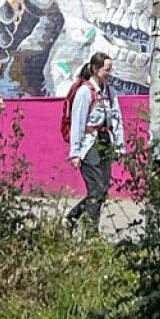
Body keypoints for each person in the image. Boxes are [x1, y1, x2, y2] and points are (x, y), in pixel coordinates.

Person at [65, 51, 124, 235]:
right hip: (89, 145)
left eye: (110, 69)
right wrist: (75, 153)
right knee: (96, 189)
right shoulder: (84, 92)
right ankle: (91, 233)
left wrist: (120, 146)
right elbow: (77, 123)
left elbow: (117, 119)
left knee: (103, 189)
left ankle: (71, 218)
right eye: (107, 70)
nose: (109, 73)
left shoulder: (109, 92)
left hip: (105, 143)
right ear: (95, 69)